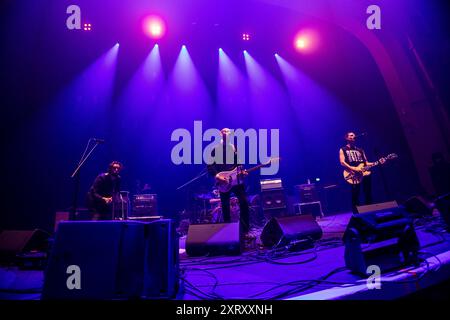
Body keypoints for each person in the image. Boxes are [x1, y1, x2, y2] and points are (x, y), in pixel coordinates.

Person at [207, 128, 251, 238]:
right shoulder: (215, 149)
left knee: (244, 202)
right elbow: (210, 166)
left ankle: (245, 230)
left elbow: (239, 163)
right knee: (225, 205)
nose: (227, 133)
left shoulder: (234, 147)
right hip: (223, 180)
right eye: (224, 132)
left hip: (236, 180)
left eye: (228, 132)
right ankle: (227, 232)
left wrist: (242, 172)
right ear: (220, 134)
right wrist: (217, 176)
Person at [339, 132, 385, 214]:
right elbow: (342, 162)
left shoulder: (360, 150)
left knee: (368, 192)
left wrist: (378, 161)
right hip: (353, 174)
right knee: (356, 194)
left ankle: (370, 210)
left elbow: (366, 163)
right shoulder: (343, 149)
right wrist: (353, 168)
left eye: (354, 135)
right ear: (346, 138)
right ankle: (356, 213)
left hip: (364, 173)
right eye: (351, 135)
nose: (353, 136)